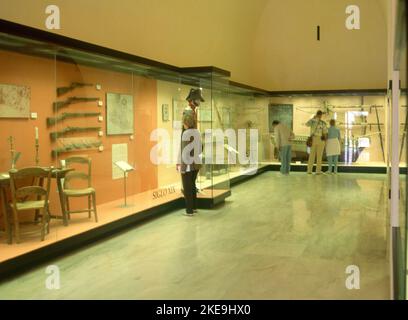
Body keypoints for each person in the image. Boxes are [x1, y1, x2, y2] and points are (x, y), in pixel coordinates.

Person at [177, 112, 202, 216]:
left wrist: (182, 167)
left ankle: (189, 211)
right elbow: (200, 148)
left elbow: (184, 152)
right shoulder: (197, 132)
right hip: (196, 164)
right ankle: (194, 207)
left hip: (187, 165)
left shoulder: (186, 133)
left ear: (186, 123)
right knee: (192, 186)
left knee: (187, 188)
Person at [306, 110, 328, 175]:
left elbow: (307, 124)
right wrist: (325, 142)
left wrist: (313, 118)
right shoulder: (323, 123)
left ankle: (309, 170)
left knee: (311, 155)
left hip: (313, 139)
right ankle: (318, 171)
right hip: (320, 140)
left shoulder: (312, 121)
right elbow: (325, 133)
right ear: (321, 115)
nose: (320, 116)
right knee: (319, 156)